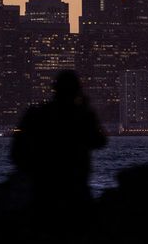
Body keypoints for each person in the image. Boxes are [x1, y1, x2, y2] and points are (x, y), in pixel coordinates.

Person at [10, 70, 107, 215]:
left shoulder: (37, 114)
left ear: (54, 89)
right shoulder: (82, 116)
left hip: (43, 188)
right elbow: (100, 141)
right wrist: (85, 109)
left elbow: (16, 153)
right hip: (76, 189)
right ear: (77, 91)